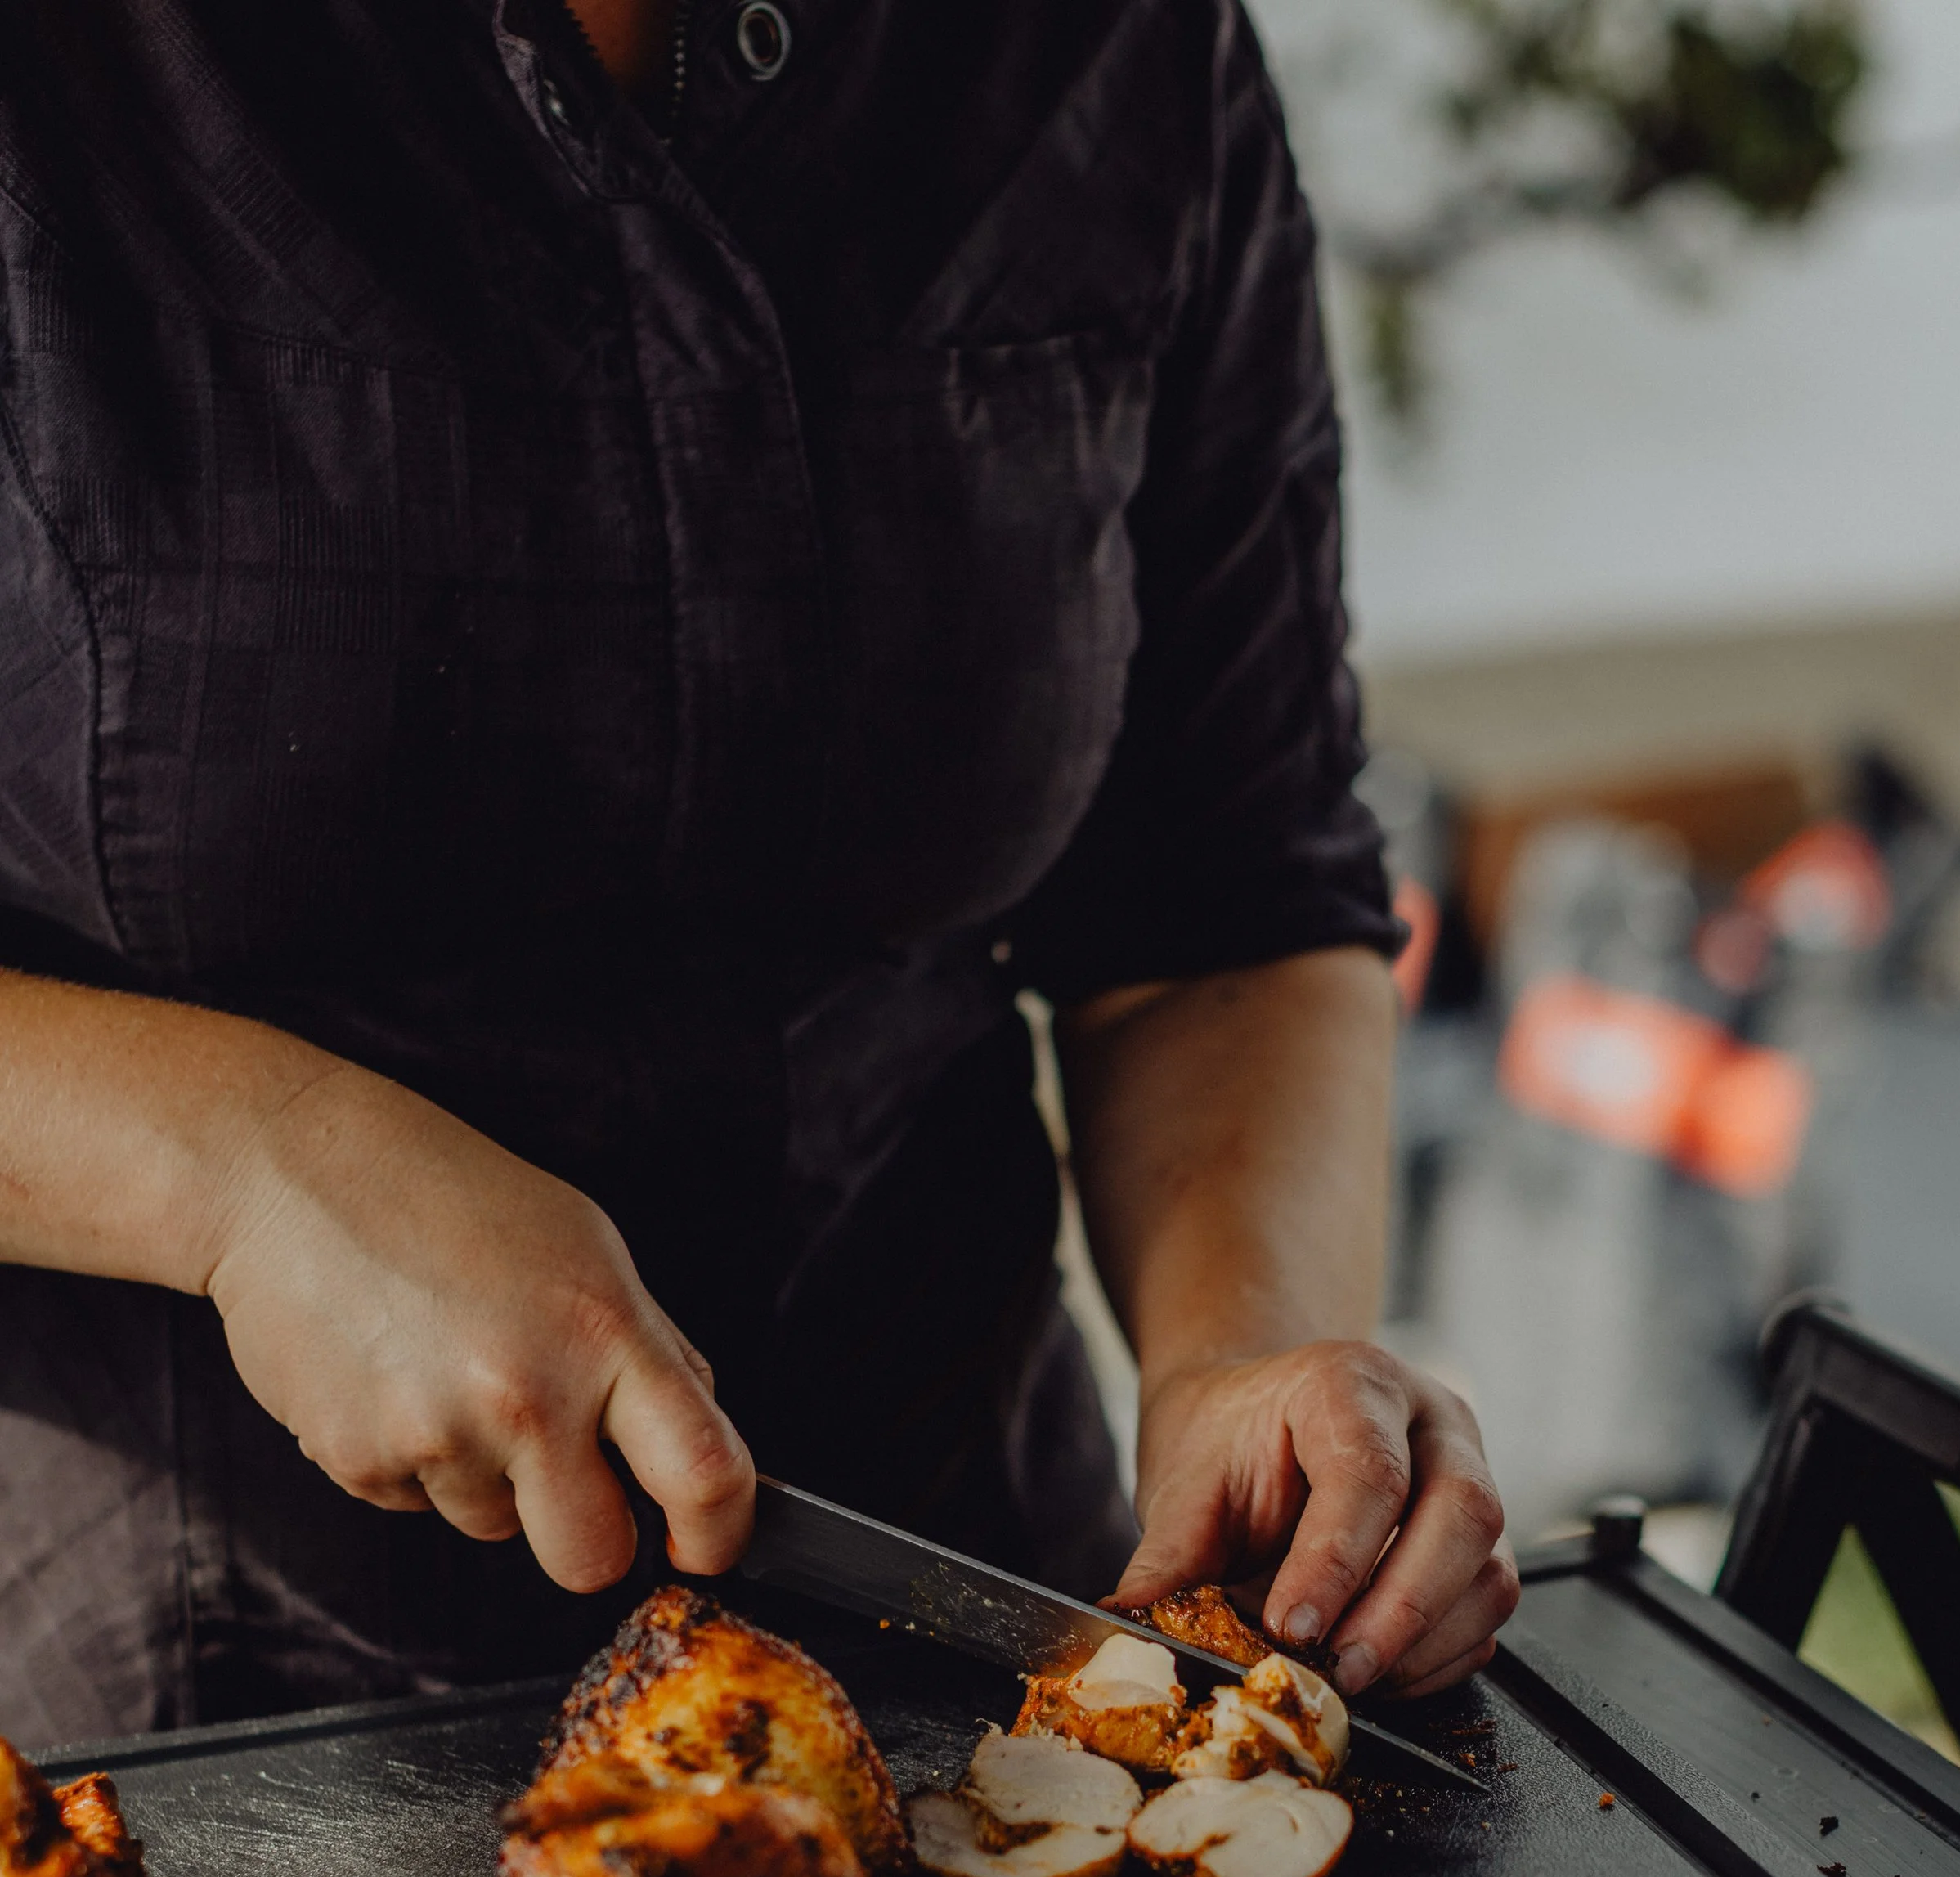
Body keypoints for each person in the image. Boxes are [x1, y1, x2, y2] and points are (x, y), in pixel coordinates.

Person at [0, 0, 1517, 1748]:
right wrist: (239, 1173)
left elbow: (1218, 898)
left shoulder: (1115, 48)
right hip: (168, 1743)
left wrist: (1232, 1353)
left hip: (974, 1656)